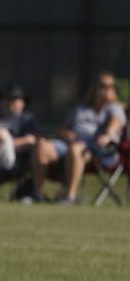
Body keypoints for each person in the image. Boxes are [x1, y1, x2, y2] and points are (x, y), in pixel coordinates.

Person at [30, 71, 126, 204]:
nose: (107, 89)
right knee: (42, 147)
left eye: (111, 86)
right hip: (70, 144)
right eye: (103, 86)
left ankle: (70, 196)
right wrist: (66, 134)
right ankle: (37, 194)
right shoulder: (81, 108)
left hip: (97, 149)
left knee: (76, 149)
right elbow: (63, 129)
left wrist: (108, 135)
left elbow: (116, 123)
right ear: (95, 87)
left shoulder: (114, 108)